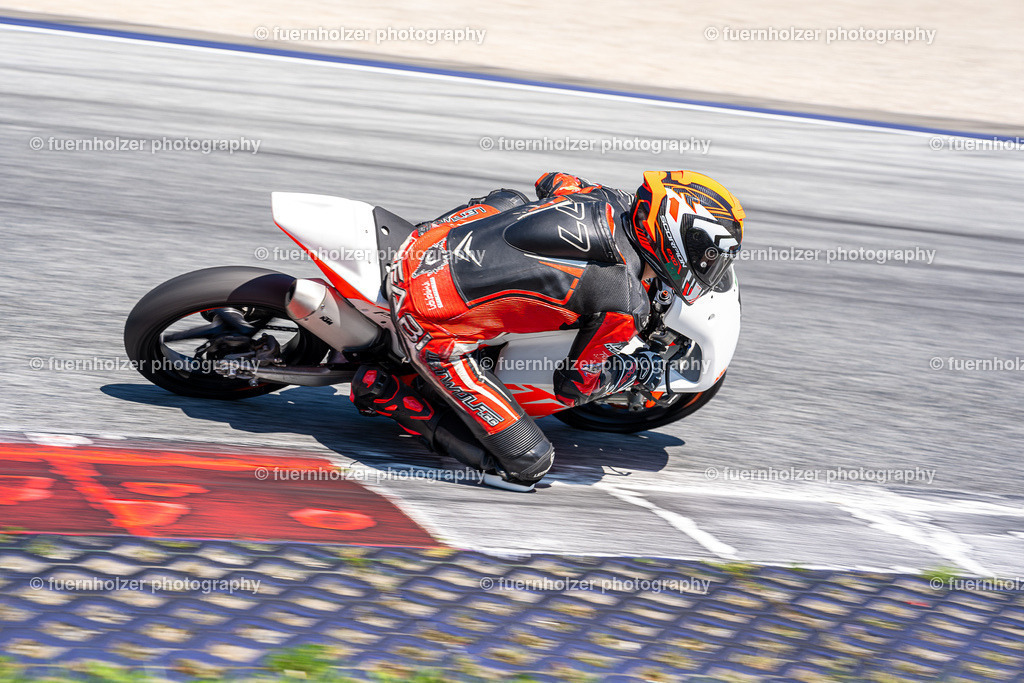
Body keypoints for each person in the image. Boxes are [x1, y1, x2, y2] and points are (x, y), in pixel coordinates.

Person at [351, 171, 745, 491]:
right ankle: (391, 396)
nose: (711, 269)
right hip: (428, 319)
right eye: (708, 257)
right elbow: (577, 384)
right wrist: (639, 370)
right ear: (676, 240)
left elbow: (552, 180)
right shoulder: (623, 302)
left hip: (428, 240)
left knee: (511, 199)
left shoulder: (609, 198)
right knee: (529, 464)